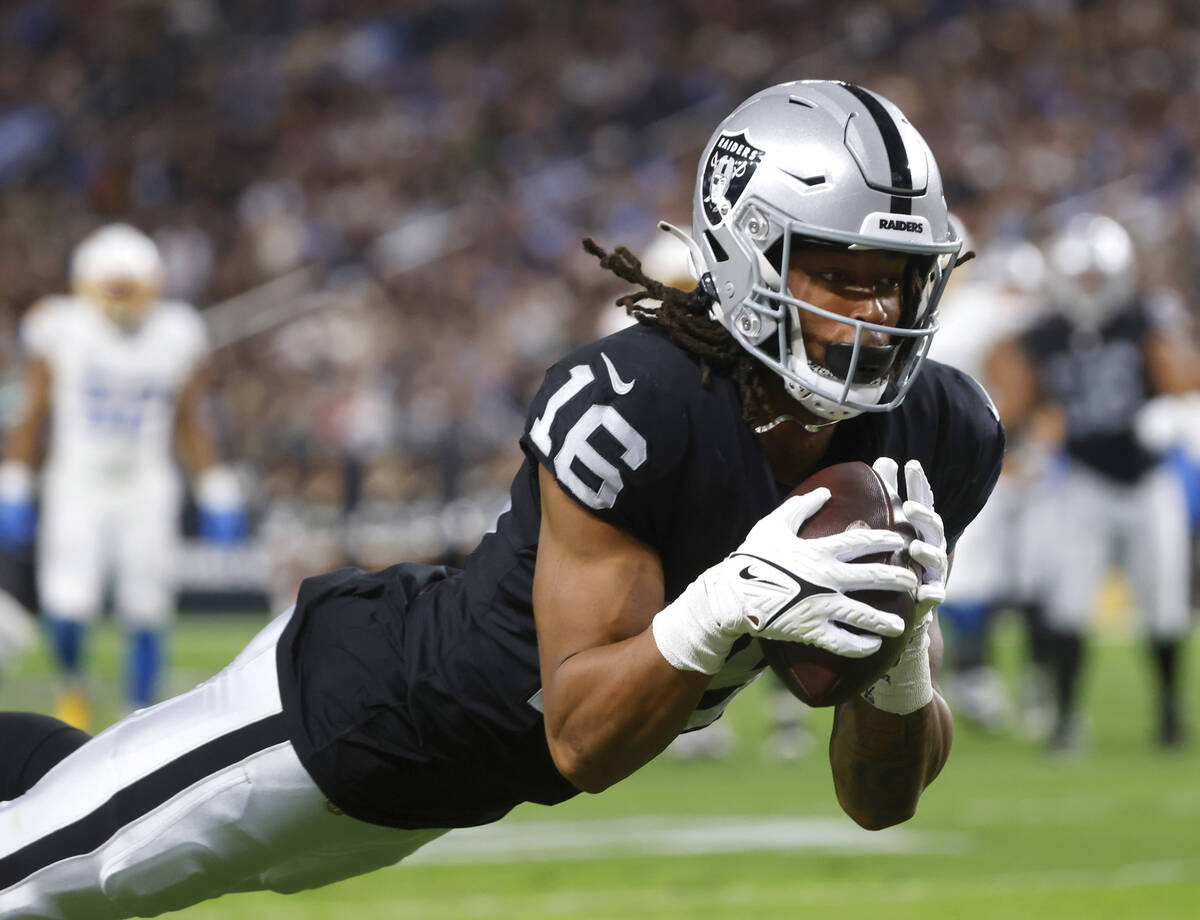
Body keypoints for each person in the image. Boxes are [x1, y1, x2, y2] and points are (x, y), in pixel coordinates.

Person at [0, 81, 1003, 919]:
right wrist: (723, 603)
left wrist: (902, 660)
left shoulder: (937, 434)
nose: (876, 315)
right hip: (347, 713)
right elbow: (580, 734)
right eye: (841, 274)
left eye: (900, 280)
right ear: (748, 253)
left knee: (78, 817)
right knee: (30, 878)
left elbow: (880, 800)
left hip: (431, 792)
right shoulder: (641, 403)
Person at [0, 223, 245, 731]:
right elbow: (33, 412)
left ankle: (140, 711)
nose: (121, 300)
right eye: (112, 287)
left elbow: (189, 419)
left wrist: (215, 486)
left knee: (148, 605)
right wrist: (15, 480)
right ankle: (73, 689)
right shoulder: (61, 326)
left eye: (131, 287)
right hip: (77, 480)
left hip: (145, 481)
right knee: (67, 601)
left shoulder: (176, 332)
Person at [988, 212, 1199, 752]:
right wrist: (1027, 437)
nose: (1089, 289)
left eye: (1097, 278)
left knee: (1164, 605)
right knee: (1068, 601)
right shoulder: (1043, 334)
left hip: (1148, 479)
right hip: (1082, 480)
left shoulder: (1143, 320)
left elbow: (1183, 378)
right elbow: (1016, 403)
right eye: (1081, 277)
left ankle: (1171, 715)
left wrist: (1173, 412)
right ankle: (1065, 720)